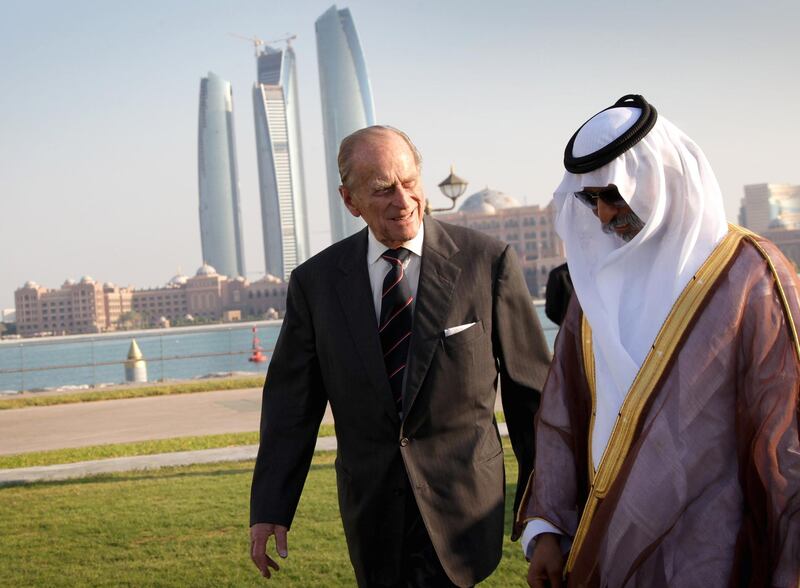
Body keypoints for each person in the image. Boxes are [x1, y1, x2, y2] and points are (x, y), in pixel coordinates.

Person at [250, 125, 551, 587]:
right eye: (382, 190)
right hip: (373, 513)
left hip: (465, 507)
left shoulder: (487, 262)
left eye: (409, 182)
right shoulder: (316, 284)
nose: (403, 200)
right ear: (350, 201)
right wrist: (271, 507)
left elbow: (532, 397)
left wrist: (546, 512)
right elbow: (291, 408)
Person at [517, 95, 800, 587]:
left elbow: (786, 432)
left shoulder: (751, 275)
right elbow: (563, 409)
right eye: (591, 200)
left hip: (717, 545)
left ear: (660, 180)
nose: (604, 216)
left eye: (614, 196)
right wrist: (547, 528)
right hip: (608, 540)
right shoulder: (595, 285)